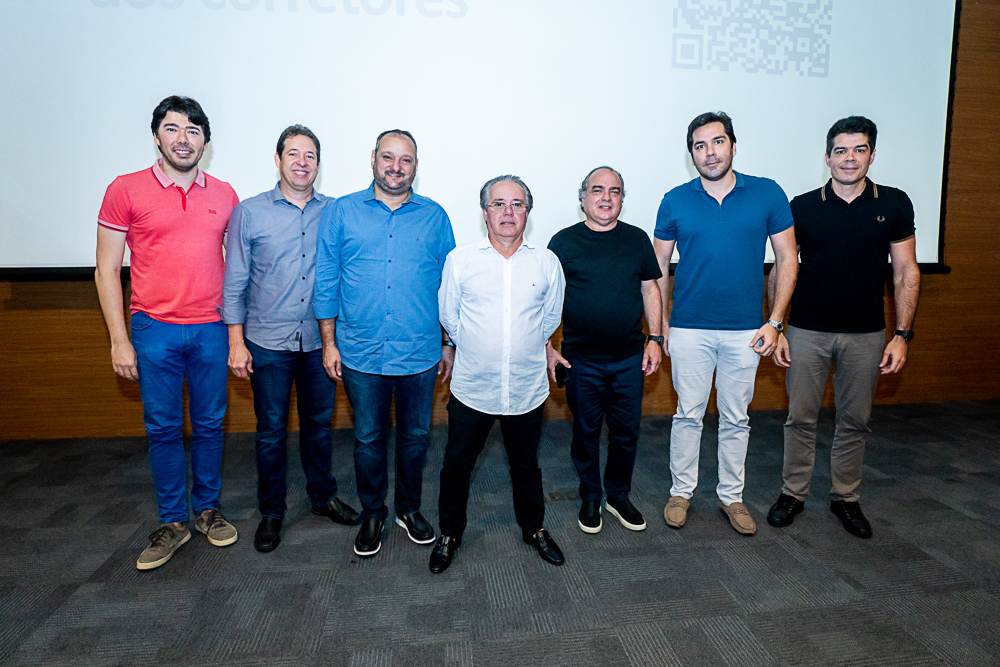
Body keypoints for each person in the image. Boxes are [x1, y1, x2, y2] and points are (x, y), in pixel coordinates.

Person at [95, 95, 240, 570]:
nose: (184, 139)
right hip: (153, 328)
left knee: (211, 425)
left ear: (205, 143)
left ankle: (207, 510)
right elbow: (106, 269)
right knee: (163, 429)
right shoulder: (125, 189)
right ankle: (174, 521)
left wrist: (236, 333)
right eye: (174, 129)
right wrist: (119, 339)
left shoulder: (225, 194)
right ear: (157, 136)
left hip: (211, 328)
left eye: (194, 131)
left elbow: (237, 267)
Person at [767, 116, 920, 539]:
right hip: (806, 331)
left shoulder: (894, 203)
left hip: (867, 334)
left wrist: (902, 335)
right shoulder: (802, 206)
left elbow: (906, 271)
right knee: (800, 418)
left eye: (859, 150)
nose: (849, 158)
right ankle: (792, 494)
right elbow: (782, 267)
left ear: (872, 155)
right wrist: (777, 327)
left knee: (855, 421)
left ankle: (845, 498)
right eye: (840, 151)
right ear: (828, 157)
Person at [653, 111, 798, 536]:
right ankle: (681, 493)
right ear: (692, 155)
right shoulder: (675, 199)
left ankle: (732, 497)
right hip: (689, 329)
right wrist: (661, 326)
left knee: (737, 418)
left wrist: (775, 323)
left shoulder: (768, 193)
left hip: (747, 331)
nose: (709, 152)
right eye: (700, 146)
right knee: (687, 415)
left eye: (717, 142)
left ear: (733, 146)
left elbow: (787, 259)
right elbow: (658, 267)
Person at [314, 129, 455, 558]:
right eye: (388, 157)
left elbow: (450, 288)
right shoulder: (342, 212)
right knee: (368, 439)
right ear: (373, 158)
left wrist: (449, 344)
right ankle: (373, 512)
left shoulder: (435, 216)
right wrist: (328, 343)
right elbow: (326, 279)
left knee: (415, 438)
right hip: (360, 351)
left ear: (416, 166)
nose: (396, 167)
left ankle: (408, 510)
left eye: (405, 160)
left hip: (419, 352)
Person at [222, 125, 361, 553]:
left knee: (319, 426)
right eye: (294, 154)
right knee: (271, 431)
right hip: (267, 342)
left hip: (321, 342)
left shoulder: (336, 212)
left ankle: (322, 497)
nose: (302, 162)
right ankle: (272, 511)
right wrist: (235, 342)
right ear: (278, 159)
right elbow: (235, 281)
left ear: (319, 164)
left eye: (310, 155)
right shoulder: (249, 212)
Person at [430, 174, 566, 574]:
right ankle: (450, 533)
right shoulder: (461, 261)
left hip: (525, 387)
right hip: (473, 386)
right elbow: (449, 315)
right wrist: (474, 344)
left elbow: (550, 318)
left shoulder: (546, 262)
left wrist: (525, 343)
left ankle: (534, 529)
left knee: (526, 465)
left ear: (528, 212)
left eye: (517, 204)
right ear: (484, 212)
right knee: (457, 466)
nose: (508, 212)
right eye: (498, 204)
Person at [547, 166, 663, 535]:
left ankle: (617, 495)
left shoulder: (637, 239)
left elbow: (650, 289)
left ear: (622, 200)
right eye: (598, 190)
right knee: (586, 432)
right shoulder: (563, 242)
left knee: (626, 432)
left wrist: (656, 339)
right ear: (582, 198)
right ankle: (591, 495)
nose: (606, 197)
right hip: (580, 360)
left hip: (630, 358)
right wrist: (547, 346)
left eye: (615, 191)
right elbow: (544, 298)